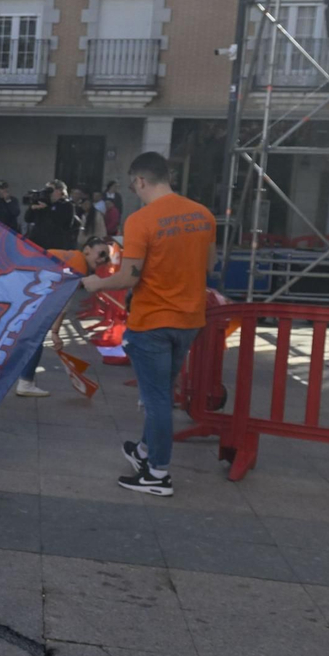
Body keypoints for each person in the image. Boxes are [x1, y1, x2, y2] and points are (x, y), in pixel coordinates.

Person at [82, 152, 216, 496]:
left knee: (156, 400)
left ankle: (157, 473)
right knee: (161, 393)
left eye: (133, 185)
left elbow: (129, 276)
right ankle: (143, 451)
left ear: (140, 181)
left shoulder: (141, 221)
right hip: (189, 319)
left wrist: (94, 283)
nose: (135, 190)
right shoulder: (203, 215)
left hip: (153, 320)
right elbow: (210, 264)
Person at [14, 236, 114, 397]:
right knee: (33, 338)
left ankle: (14, 379)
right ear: (87, 250)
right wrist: (55, 333)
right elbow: (63, 303)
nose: (103, 259)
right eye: (101, 253)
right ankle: (25, 382)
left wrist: (54, 331)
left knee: (25, 337)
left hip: (21, 286)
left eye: (107, 257)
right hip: (22, 289)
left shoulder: (74, 258)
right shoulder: (79, 265)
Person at [26, 179, 77, 249]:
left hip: (54, 245)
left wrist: (47, 209)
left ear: (59, 191)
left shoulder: (67, 205)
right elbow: (28, 219)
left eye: (50, 190)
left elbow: (65, 223)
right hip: (36, 243)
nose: (48, 193)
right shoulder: (42, 203)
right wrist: (32, 208)